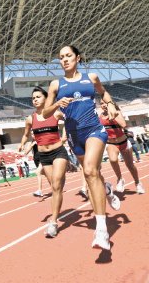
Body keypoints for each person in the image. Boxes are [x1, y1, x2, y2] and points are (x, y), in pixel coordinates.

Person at [42, 45, 120, 250]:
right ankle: (107, 189)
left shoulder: (91, 77)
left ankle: (101, 231)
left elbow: (103, 93)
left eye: (68, 56)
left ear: (78, 58)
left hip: (94, 130)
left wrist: (110, 104)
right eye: (61, 57)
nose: (64, 60)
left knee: (90, 171)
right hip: (75, 137)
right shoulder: (55, 85)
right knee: (92, 176)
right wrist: (58, 104)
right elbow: (45, 113)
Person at [19, 86, 69, 238]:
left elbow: (69, 120)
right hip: (44, 156)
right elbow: (26, 135)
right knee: (55, 187)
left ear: (46, 99)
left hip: (58, 151)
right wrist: (22, 144)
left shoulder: (56, 113)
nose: (35, 100)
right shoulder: (30, 119)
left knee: (57, 183)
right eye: (33, 98)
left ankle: (53, 221)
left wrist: (65, 135)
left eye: (38, 97)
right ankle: (55, 216)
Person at [98, 100, 145, 194]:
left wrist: (113, 115)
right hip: (111, 143)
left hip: (123, 142)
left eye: (105, 103)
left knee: (130, 165)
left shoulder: (117, 112)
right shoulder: (101, 116)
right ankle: (120, 179)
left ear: (110, 104)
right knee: (113, 160)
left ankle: (137, 183)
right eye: (101, 104)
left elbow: (123, 125)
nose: (103, 105)